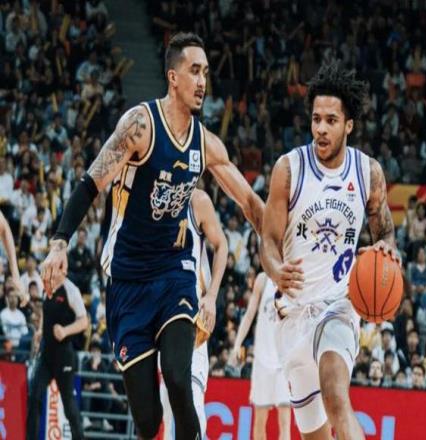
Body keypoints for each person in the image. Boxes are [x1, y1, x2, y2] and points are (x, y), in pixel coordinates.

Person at [41, 32, 264, 440]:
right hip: (126, 280)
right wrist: (60, 242)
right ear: (172, 77)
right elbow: (90, 183)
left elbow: (250, 203)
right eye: (194, 71)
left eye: (206, 73)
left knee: (178, 378)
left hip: (174, 273)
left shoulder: (205, 143)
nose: (202, 81)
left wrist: (280, 249)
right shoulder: (140, 126)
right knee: (147, 421)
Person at [261, 60, 400, 440]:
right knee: (315, 435)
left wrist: (388, 250)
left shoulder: (367, 172)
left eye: (331, 121)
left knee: (337, 396)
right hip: (292, 314)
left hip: (339, 305)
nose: (321, 128)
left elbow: (385, 231)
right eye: (316, 119)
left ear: (348, 125)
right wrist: (275, 269)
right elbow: (268, 240)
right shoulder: (289, 169)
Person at [159, 188, 228, 439]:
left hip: (193, 317)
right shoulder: (152, 199)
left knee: (194, 406)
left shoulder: (197, 200)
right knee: (168, 411)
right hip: (162, 319)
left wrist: (211, 295)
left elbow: (221, 245)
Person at [228, 271, 291, 440]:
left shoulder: (291, 277)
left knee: (285, 421)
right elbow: (249, 315)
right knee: (260, 421)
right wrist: (237, 344)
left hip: (284, 361)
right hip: (262, 359)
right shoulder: (263, 280)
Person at [26, 275, 88, 439]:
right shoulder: (46, 286)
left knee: (68, 404)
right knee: (34, 396)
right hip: (46, 354)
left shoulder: (71, 290)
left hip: (64, 355)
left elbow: (84, 322)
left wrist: (65, 331)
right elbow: (45, 313)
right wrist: (40, 330)